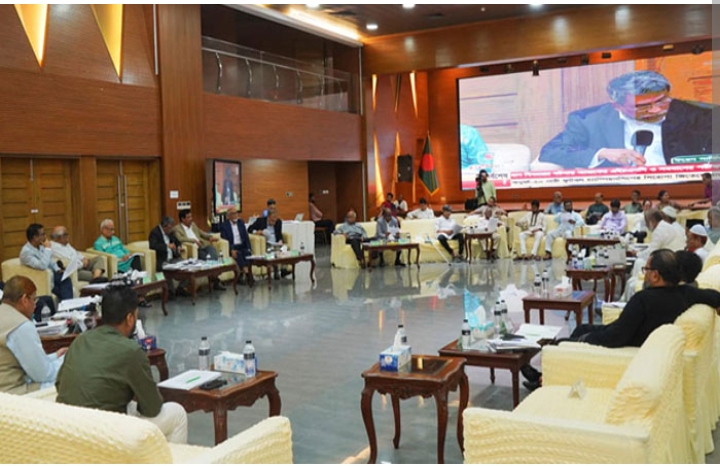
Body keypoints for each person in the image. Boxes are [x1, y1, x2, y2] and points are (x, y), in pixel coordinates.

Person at [522, 249, 720, 390]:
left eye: (646, 270)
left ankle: (543, 380)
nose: (645, 274)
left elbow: (616, 337)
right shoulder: (686, 293)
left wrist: (586, 340)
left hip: (628, 343)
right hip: (636, 335)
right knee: (581, 328)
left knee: (564, 342)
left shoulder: (643, 299)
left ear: (655, 275)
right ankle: (542, 376)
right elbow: (715, 296)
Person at [56, 286, 188, 443]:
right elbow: (152, 409)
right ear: (130, 318)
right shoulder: (131, 351)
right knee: (177, 414)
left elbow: (59, 384)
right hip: (104, 434)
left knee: (130, 406)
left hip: (69, 427)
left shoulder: (81, 340)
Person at [538, 70, 712, 169]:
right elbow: (552, 151)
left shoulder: (700, 116)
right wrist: (602, 153)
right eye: (643, 106)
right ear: (617, 106)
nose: (656, 110)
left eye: (662, 101)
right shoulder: (588, 120)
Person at [0, 276, 66, 394]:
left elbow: (23, 361)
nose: (35, 305)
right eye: (34, 299)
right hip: (14, 393)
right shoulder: (20, 326)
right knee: (71, 378)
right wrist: (68, 360)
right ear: (25, 299)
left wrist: (55, 356)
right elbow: (43, 375)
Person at [20, 223, 73, 301]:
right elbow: (42, 266)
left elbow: (50, 261)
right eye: (43, 234)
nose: (45, 237)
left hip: (51, 275)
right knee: (65, 284)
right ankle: (68, 306)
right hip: (42, 278)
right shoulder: (26, 252)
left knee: (65, 280)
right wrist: (47, 249)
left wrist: (58, 269)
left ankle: (68, 306)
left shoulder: (40, 246)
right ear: (35, 237)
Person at [248, 210, 289, 279]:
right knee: (273, 250)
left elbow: (279, 234)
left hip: (276, 243)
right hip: (266, 243)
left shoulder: (278, 222)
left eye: (275, 221)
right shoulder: (260, 221)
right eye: (272, 221)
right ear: (268, 217)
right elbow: (249, 229)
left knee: (285, 249)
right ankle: (276, 270)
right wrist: (256, 232)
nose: (274, 223)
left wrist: (280, 240)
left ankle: (284, 270)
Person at [219, 206, 251, 277]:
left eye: (236, 213)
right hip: (233, 246)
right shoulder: (224, 226)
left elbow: (246, 236)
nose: (236, 215)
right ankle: (246, 272)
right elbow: (225, 240)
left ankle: (243, 273)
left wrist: (249, 248)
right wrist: (231, 250)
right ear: (228, 216)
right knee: (238, 254)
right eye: (233, 214)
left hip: (242, 245)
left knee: (247, 253)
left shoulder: (241, 222)